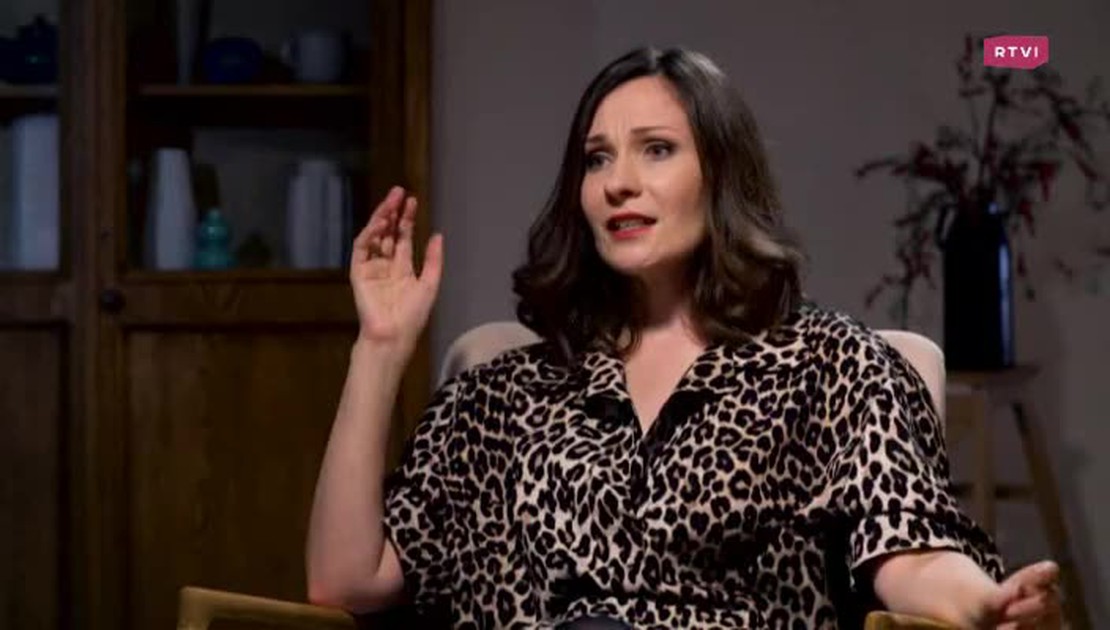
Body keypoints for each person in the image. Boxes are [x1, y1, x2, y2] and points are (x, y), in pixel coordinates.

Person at [306, 47, 1062, 628]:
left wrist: (984, 603)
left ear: (721, 174)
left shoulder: (830, 367)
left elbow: (911, 552)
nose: (618, 182)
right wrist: (380, 347)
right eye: (598, 158)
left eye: (657, 149)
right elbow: (344, 581)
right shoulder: (503, 393)